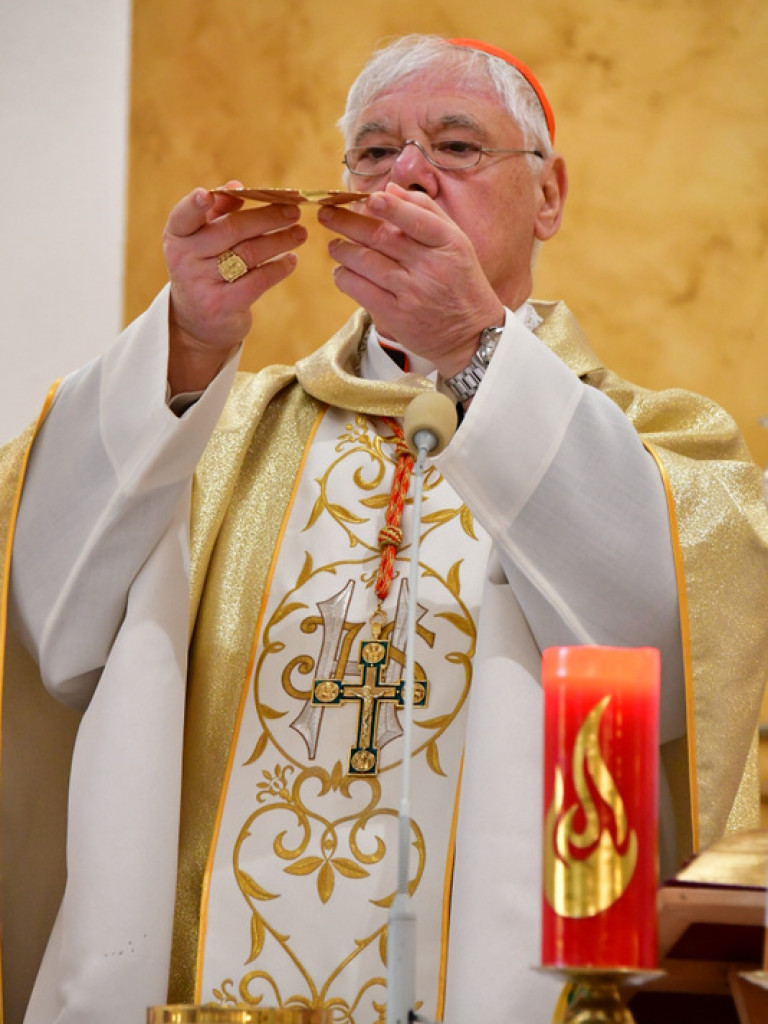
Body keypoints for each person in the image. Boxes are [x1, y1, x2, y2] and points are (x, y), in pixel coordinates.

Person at [1, 33, 767, 1024]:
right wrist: (185, 342)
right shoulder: (207, 435)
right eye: (372, 152)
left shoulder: (651, 446)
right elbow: (50, 621)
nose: (405, 173)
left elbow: (674, 658)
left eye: (455, 146)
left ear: (550, 196)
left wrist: (471, 353)